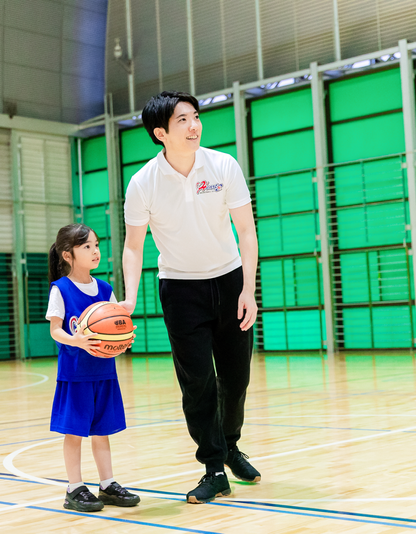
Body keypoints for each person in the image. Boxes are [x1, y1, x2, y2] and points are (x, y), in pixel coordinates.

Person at [120, 91, 260, 504]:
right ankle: (214, 468)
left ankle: (230, 446)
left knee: (236, 379)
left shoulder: (223, 165)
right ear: (160, 133)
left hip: (229, 281)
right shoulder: (142, 183)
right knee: (197, 383)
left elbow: (246, 230)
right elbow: (133, 246)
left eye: (195, 116)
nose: (194, 125)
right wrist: (129, 299)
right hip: (180, 289)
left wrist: (248, 289)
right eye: (182, 120)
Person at [45, 223, 141, 513]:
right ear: (68, 255)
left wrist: (125, 339)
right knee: (74, 433)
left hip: (104, 372)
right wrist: (75, 340)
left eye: (96, 245)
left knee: (102, 431)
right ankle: (74, 488)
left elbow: (117, 327)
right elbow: (55, 330)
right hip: (75, 374)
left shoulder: (105, 289)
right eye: (86, 246)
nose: (95, 251)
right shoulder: (61, 289)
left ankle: (107, 484)